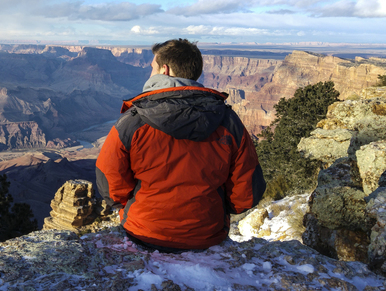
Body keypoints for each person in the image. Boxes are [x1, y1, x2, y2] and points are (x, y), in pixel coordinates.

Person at [96, 38, 265, 252]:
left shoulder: (133, 121)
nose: (150, 74)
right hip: (208, 235)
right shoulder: (229, 122)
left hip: (144, 233)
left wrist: (136, 206)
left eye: (152, 68)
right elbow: (247, 193)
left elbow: (110, 186)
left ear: (164, 70)